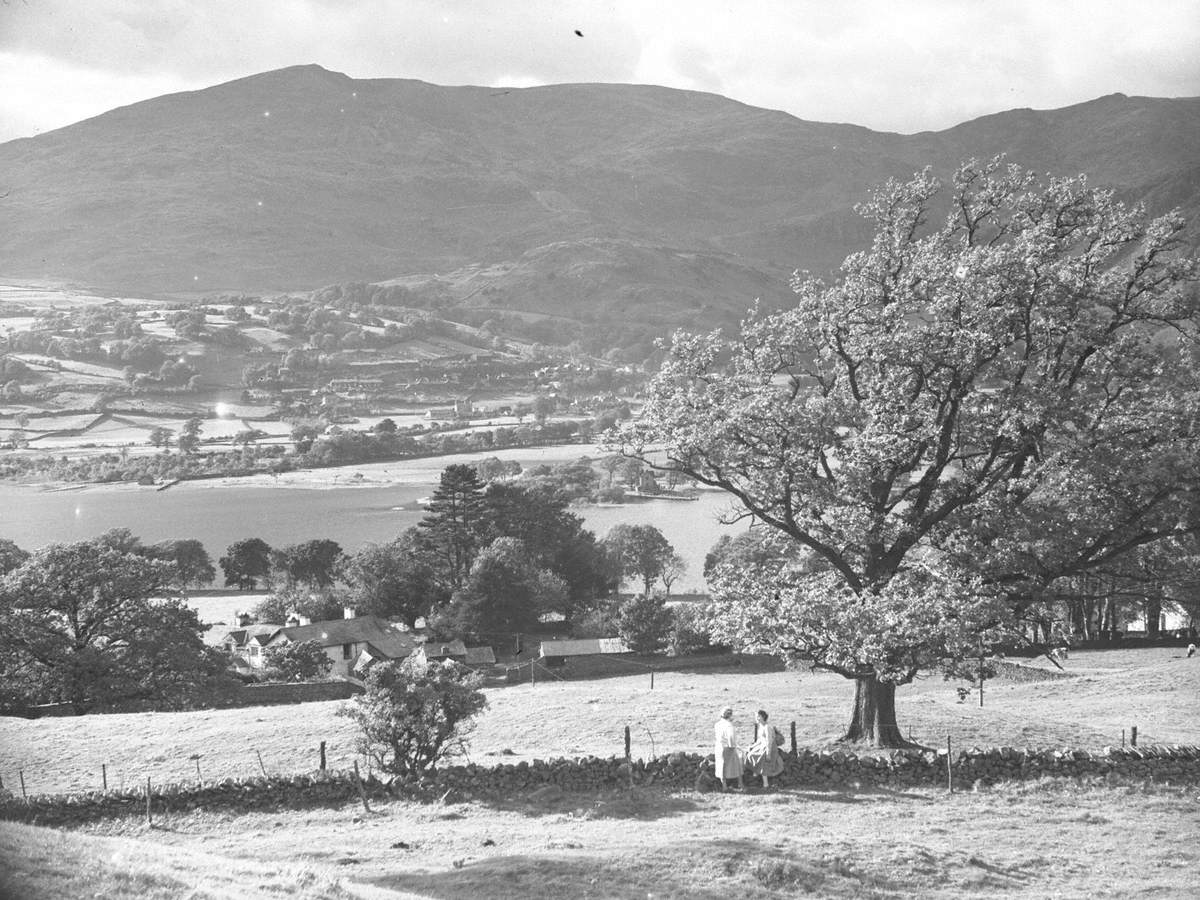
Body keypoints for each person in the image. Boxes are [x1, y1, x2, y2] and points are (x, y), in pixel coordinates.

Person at [745, 709, 785, 788]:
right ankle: (755, 772)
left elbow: (769, 741)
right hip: (761, 746)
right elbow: (760, 740)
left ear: (763, 717)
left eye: (758, 716)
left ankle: (765, 784)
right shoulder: (760, 727)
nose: (756, 718)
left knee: (763, 759)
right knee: (750, 755)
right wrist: (752, 746)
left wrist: (768, 753)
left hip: (769, 748)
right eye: (756, 716)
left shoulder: (767, 727)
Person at [713, 706, 744, 791]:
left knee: (721, 766)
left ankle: (724, 786)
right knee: (737, 766)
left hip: (719, 747)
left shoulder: (717, 724)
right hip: (727, 747)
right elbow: (731, 737)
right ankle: (740, 785)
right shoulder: (729, 726)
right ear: (730, 716)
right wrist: (732, 747)